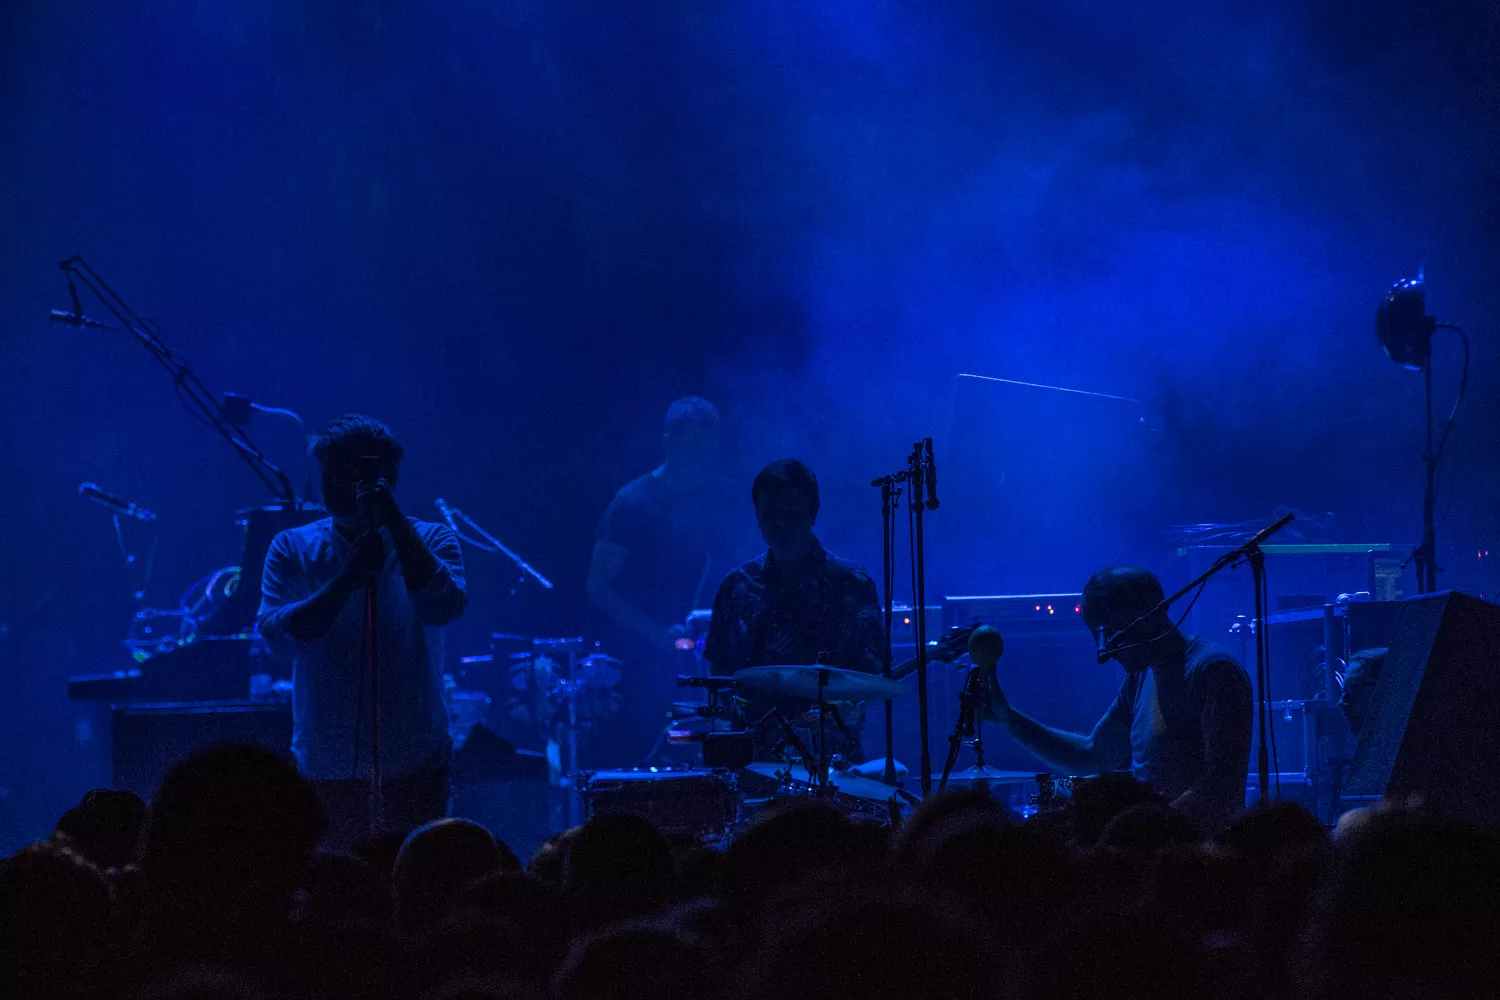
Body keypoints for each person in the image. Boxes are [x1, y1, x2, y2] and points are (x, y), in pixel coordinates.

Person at [258, 414, 468, 849]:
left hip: (416, 756)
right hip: (327, 759)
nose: (334, 485)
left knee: (416, 874)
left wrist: (390, 516)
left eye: (347, 473)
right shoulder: (291, 546)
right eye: (328, 474)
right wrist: (349, 577)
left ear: (385, 475)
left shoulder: (434, 538)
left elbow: (443, 607)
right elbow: (280, 635)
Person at [981, 565, 1252, 833]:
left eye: (1110, 635)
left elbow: (1223, 783)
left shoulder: (1213, 671)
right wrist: (1008, 719)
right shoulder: (1140, 678)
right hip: (1155, 847)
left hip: (1199, 852)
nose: (1105, 652)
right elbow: (1093, 755)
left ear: (1144, 619)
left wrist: (1142, 830)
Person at [588, 397, 744, 762]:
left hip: (717, 661)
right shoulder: (632, 503)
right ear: (669, 442)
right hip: (646, 661)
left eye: (708, 450)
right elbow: (597, 585)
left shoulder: (727, 498)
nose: (701, 458)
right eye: (692, 448)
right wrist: (658, 636)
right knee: (654, 762)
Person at [702, 459, 885, 761]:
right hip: (753, 757)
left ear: (813, 514)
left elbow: (873, 670)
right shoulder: (736, 586)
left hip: (832, 758)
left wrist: (849, 706)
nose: (780, 525)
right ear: (757, 516)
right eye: (770, 515)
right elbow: (719, 671)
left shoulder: (851, 582)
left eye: (791, 514)